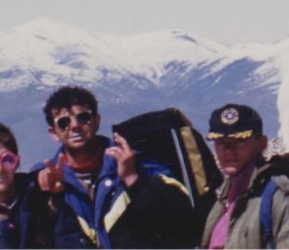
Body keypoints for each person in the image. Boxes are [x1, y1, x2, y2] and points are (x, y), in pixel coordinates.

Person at [32, 86, 197, 248]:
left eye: (83, 118)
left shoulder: (136, 163)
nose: (75, 126)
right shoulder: (44, 177)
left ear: (96, 121)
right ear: (53, 132)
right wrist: (48, 196)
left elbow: (180, 218)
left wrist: (134, 181)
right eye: (64, 122)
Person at [200, 104, 289, 249]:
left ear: (262, 143)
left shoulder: (286, 203)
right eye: (221, 143)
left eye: (239, 141)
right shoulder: (224, 200)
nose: (228, 151)